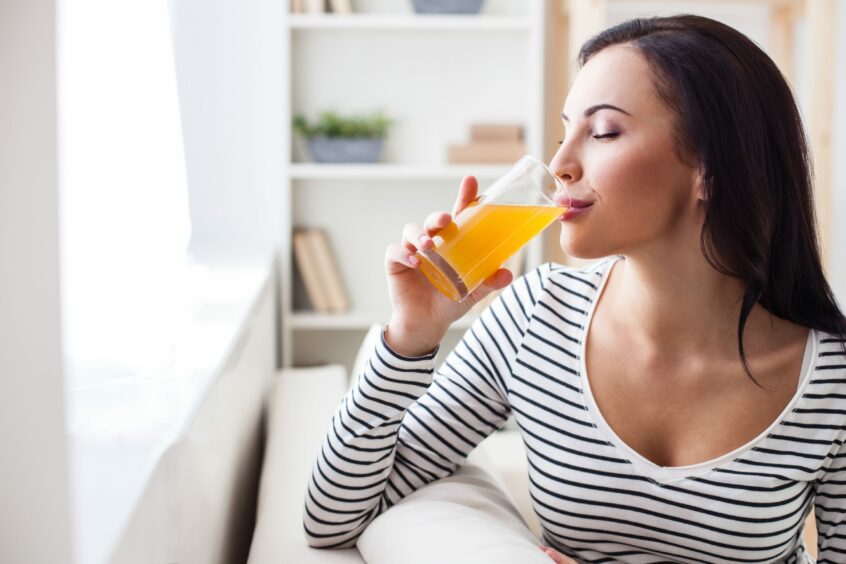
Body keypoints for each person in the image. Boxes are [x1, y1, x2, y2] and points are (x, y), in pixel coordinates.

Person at [303, 15, 846, 562]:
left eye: (604, 132)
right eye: (564, 133)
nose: (559, 164)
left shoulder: (830, 378)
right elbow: (331, 517)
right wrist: (409, 337)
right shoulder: (534, 317)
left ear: (710, 168)